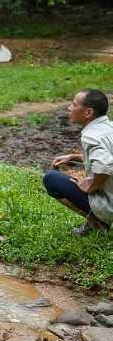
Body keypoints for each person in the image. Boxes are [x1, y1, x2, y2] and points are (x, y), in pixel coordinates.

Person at [43, 89, 113, 236]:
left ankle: (97, 223)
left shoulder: (91, 136)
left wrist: (91, 186)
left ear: (88, 112)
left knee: (51, 179)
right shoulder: (109, 128)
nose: (69, 108)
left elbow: (105, 166)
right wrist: (76, 156)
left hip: (109, 205)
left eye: (74, 104)